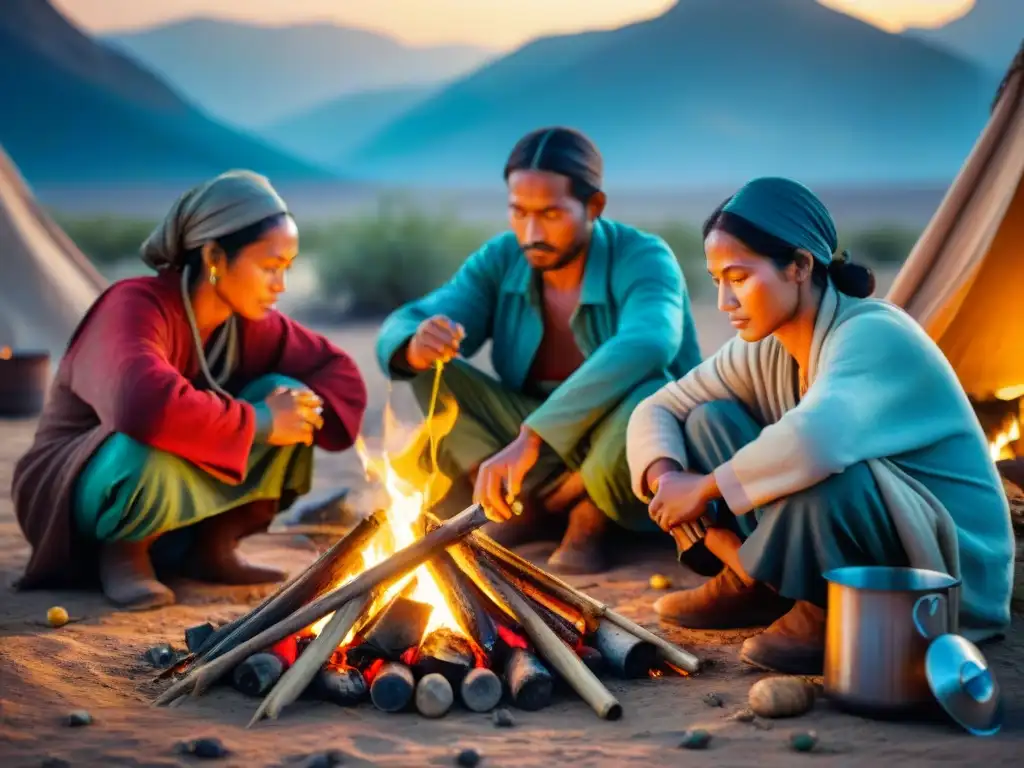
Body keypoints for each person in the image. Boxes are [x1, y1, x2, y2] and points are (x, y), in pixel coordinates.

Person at [626, 177, 1014, 675]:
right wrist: (667, 479)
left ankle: (821, 603)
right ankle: (757, 585)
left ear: (800, 266)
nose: (724, 301)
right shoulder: (764, 347)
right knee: (707, 420)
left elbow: (816, 442)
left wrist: (701, 489)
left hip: (942, 568)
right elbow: (659, 407)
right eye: (717, 279)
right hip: (858, 527)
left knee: (827, 471)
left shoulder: (874, 333)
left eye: (739, 278)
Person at [11, 170, 368, 610]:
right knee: (153, 431)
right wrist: (259, 421)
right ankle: (125, 555)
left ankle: (212, 547)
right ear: (215, 256)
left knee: (292, 396)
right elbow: (143, 405)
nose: (281, 285)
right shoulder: (133, 305)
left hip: (159, 492)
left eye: (286, 269)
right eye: (269, 267)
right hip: (75, 491)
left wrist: (289, 416)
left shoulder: (249, 324)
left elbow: (338, 374)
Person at [376, 126, 702, 574]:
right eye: (519, 212)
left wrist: (533, 436)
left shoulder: (643, 255)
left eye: (551, 214)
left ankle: (588, 517)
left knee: (650, 394)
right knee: (432, 371)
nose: (532, 232)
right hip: (530, 438)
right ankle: (513, 504)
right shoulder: (502, 257)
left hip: (618, 437)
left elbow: (651, 340)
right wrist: (416, 343)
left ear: (594, 206)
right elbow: (413, 318)